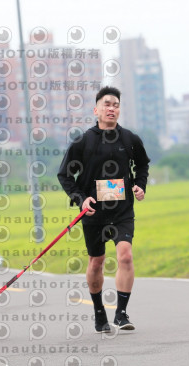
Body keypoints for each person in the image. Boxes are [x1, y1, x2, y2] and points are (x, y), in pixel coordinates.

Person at [57, 86, 150, 333]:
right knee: (96, 262)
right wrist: (81, 199)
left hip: (122, 210)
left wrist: (140, 186)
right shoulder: (83, 142)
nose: (111, 108)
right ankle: (99, 313)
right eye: (107, 104)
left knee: (125, 256)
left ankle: (121, 313)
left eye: (116, 105)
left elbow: (142, 166)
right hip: (94, 212)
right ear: (96, 110)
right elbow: (65, 174)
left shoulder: (130, 139)